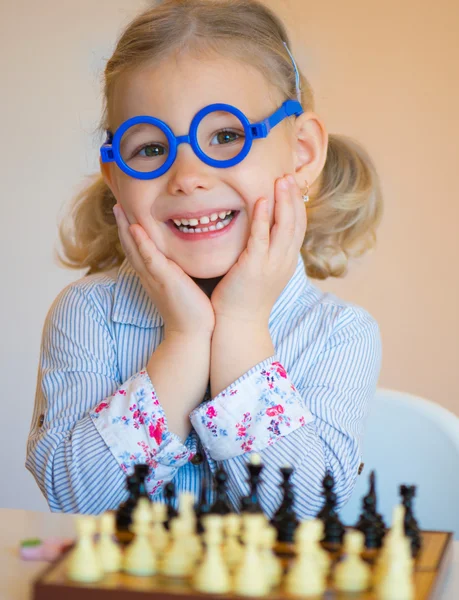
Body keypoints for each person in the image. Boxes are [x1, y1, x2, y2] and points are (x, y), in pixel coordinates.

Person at [26, 0, 383, 515]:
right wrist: (185, 340)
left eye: (226, 136)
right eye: (149, 149)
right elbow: (76, 496)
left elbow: (302, 509)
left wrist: (239, 326)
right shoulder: (88, 315)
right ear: (116, 181)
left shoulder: (339, 333)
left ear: (302, 151)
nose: (188, 176)